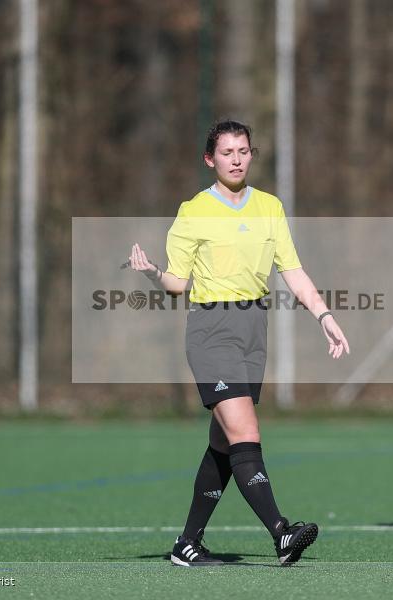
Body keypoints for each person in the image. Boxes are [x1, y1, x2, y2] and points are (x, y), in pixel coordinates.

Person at [127, 120, 350, 566]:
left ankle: (187, 544)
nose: (235, 159)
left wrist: (323, 314)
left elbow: (292, 270)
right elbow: (177, 282)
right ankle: (282, 533)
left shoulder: (269, 207)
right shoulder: (193, 211)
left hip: (254, 328)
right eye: (226, 152)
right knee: (245, 432)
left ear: (252, 155)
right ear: (210, 159)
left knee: (226, 443)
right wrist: (153, 273)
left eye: (243, 151)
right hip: (212, 329)